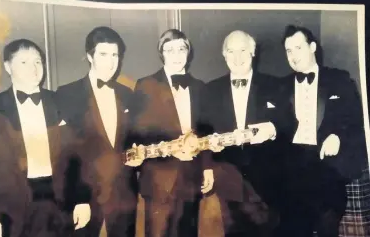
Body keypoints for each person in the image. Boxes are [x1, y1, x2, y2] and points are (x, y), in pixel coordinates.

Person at [0, 39, 91, 237]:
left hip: (59, 201)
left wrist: (82, 200)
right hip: (11, 205)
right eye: (24, 62)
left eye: (37, 62)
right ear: (8, 67)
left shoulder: (61, 101)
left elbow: (76, 156)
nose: (34, 68)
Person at [276, 25, 368, 237]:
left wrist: (337, 136)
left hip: (327, 164)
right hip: (294, 165)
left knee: (326, 221)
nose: (293, 56)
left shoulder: (339, 79)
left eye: (298, 48)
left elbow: (356, 119)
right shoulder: (281, 86)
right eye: (288, 51)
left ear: (313, 47)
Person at [203, 30, 294, 237]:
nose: (237, 57)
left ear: (253, 52)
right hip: (228, 178)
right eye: (231, 51)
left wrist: (271, 129)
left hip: (268, 178)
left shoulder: (276, 85)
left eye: (243, 50)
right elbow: (204, 131)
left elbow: (289, 122)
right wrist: (210, 147)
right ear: (224, 55)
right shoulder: (210, 90)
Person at [126, 28, 215, 237]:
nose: (176, 55)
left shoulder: (201, 87)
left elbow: (206, 131)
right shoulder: (145, 85)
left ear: (188, 52)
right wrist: (171, 146)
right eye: (170, 50)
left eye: (181, 49)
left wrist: (208, 167)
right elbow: (138, 131)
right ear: (162, 54)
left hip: (192, 176)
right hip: (159, 178)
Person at [54, 26, 139, 237]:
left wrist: (137, 155)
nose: (110, 62)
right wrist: (79, 199)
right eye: (103, 54)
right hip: (85, 198)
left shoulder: (127, 94)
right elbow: (66, 154)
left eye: (115, 55)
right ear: (89, 56)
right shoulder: (67, 94)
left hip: (123, 195)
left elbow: (130, 140)